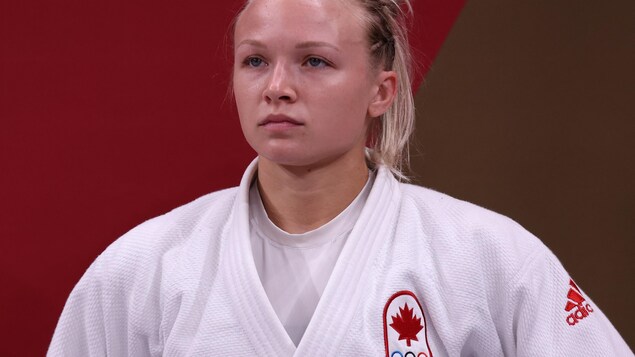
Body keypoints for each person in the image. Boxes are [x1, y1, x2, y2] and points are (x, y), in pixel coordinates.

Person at [49, 0, 632, 356]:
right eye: (255, 60)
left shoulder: (484, 256)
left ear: (382, 91)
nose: (277, 86)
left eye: (315, 61)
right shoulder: (142, 269)